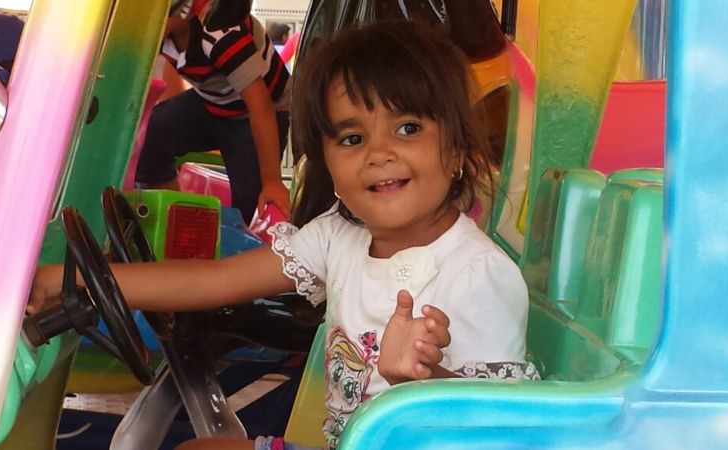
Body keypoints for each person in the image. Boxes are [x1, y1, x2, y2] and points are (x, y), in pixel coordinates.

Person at [30, 21, 538, 450]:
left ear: (457, 150)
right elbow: (215, 280)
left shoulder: (478, 274)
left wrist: (424, 385)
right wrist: (70, 278)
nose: (379, 153)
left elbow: (509, 427)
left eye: (408, 128)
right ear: (327, 164)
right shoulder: (339, 236)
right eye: (353, 137)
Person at [135, 0, 292, 224]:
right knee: (153, 132)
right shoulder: (161, 34)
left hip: (259, 112)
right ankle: (175, 216)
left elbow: (261, 106)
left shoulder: (220, 34)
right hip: (214, 102)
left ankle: (253, 232)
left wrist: (272, 181)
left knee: (253, 203)